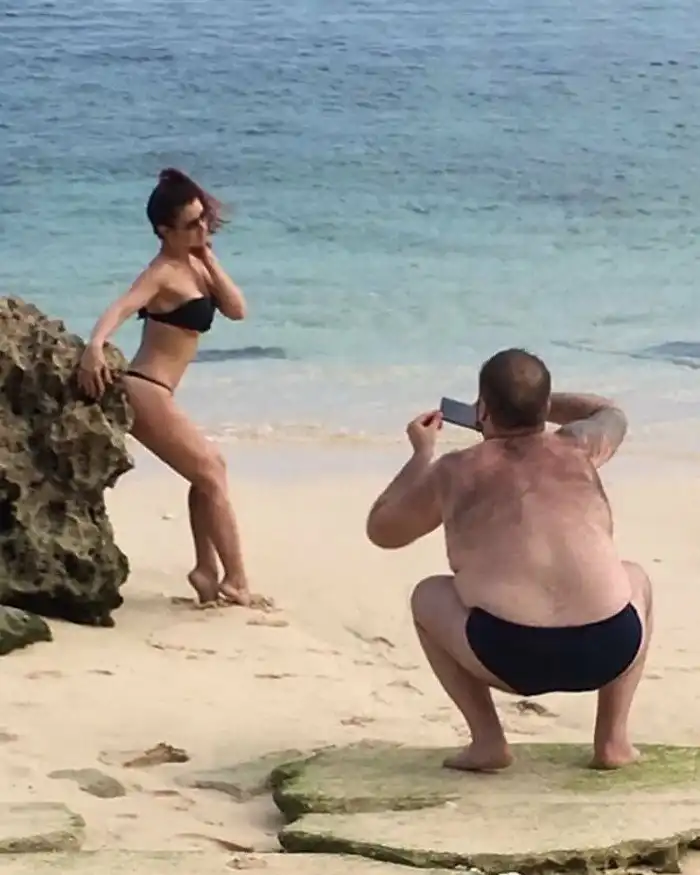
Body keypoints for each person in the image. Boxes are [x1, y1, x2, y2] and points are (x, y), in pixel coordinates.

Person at [365, 348, 652, 773]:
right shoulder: (579, 448)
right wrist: (532, 402)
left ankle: (488, 741)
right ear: (544, 406)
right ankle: (613, 741)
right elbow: (610, 412)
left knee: (427, 594)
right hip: (610, 647)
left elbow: (382, 530)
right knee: (636, 578)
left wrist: (421, 454)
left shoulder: (454, 470)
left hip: (510, 655)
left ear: (483, 409)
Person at [78, 168, 259, 609]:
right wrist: (95, 345)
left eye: (203, 220)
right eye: (191, 224)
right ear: (164, 230)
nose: (202, 229)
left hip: (161, 392)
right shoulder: (160, 274)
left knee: (207, 472)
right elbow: (123, 306)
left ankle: (207, 572)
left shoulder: (196, 264)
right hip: (144, 390)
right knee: (211, 470)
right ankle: (236, 582)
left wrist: (208, 257)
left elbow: (237, 310)